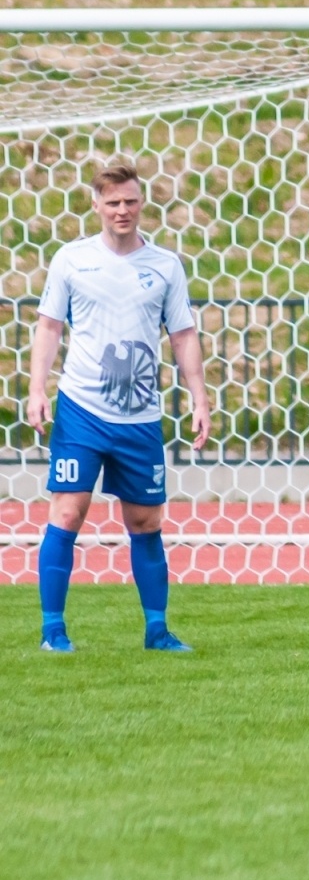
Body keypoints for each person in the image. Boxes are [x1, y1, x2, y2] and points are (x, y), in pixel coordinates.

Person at [27, 164, 211, 653]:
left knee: (146, 522)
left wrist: (200, 397)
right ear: (97, 206)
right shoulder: (72, 259)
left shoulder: (165, 265)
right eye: (113, 203)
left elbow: (183, 334)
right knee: (68, 512)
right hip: (82, 410)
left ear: (141, 203)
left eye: (130, 201)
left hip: (140, 416)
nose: (122, 210)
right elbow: (49, 327)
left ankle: (157, 632)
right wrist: (37, 389)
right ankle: (53, 632)